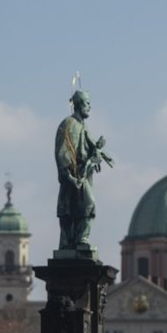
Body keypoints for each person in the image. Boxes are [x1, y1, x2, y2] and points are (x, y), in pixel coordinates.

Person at [55, 90, 112, 251]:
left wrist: (96, 152)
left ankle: (79, 240)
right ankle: (78, 240)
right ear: (79, 105)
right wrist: (69, 176)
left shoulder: (83, 126)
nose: (90, 107)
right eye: (87, 103)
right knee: (84, 206)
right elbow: (63, 152)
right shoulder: (69, 124)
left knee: (81, 208)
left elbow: (86, 150)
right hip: (74, 176)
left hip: (84, 175)